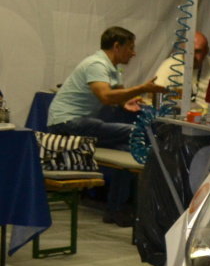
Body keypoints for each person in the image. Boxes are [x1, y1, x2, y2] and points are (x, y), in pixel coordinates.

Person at [47, 26, 167, 225]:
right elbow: (105, 96)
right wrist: (142, 88)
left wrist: (127, 101)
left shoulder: (113, 69)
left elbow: (117, 95)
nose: (134, 53)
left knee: (130, 149)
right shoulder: (97, 64)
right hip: (66, 124)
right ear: (117, 46)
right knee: (137, 133)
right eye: (130, 47)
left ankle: (115, 210)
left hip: (80, 124)